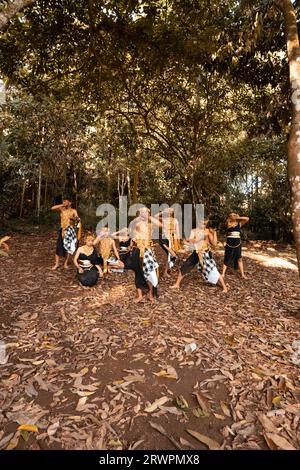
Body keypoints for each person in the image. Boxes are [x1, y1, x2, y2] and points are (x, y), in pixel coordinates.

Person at [171, 218, 228, 293]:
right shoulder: (194, 231)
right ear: (198, 222)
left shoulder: (207, 231)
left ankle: (225, 287)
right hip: (196, 252)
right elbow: (191, 241)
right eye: (202, 223)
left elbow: (214, 244)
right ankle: (177, 284)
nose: (203, 225)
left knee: (213, 270)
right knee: (184, 267)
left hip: (205, 254)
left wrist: (214, 234)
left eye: (205, 224)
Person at [130, 207, 162, 303]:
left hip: (147, 251)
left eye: (145, 212)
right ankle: (140, 295)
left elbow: (160, 225)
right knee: (138, 272)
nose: (143, 214)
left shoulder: (150, 224)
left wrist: (149, 217)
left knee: (151, 272)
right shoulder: (136, 223)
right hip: (137, 249)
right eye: (141, 212)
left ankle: (150, 294)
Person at [51, 199, 80, 270]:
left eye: (67, 201)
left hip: (70, 231)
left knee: (68, 248)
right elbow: (52, 208)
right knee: (59, 246)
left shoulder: (73, 210)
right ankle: (57, 264)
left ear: (70, 202)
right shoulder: (62, 209)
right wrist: (62, 205)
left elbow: (77, 218)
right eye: (64, 201)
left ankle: (65, 264)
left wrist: (74, 218)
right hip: (62, 230)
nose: (65, 202)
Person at [222, 213, 249, 280]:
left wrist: (238, 218)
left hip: (237, 243)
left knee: (239, 258)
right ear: (230, 217)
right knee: (227, 257)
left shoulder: (239, 223)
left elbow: (247, 219)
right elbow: (228, 221)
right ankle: (222, 274)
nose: (234, 216)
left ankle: (242, 274)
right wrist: (234, 218)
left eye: (234, 215)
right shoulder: (228, 223)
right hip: (229, 243)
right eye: (232, 215)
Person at [156, 208, 180, 277]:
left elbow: (177, 232)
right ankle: (174, 256)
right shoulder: (164, 219)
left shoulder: (175, 221)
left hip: (171, 240)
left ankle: (165, 272)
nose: (168, 212)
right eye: (167, 211)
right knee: (169, 254)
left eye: (170, 211)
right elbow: (155, 217)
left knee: (168, 256)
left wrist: (178, 242)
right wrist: (162, 212)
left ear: (172, 213)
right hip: (163, 238)